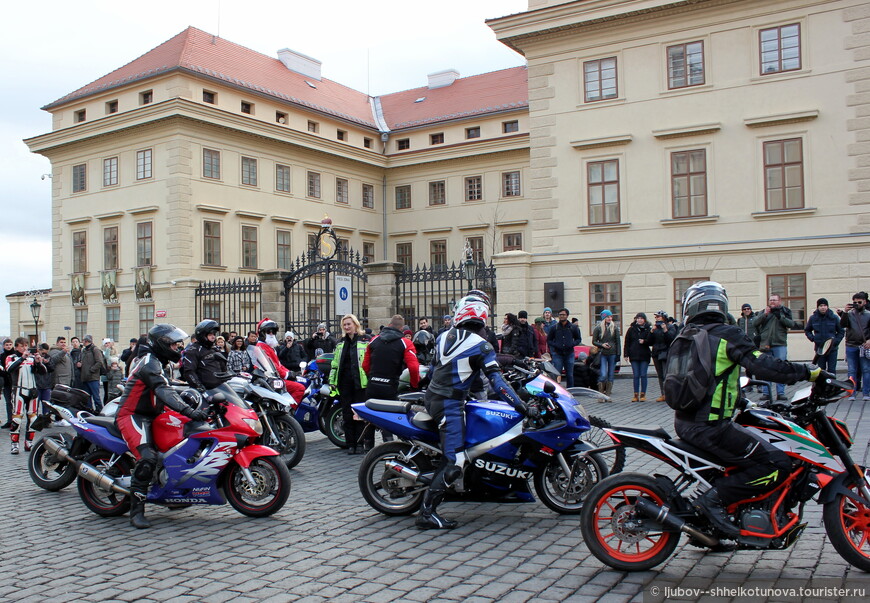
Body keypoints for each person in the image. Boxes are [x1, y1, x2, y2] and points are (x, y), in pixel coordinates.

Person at [672, 281, 827, 538]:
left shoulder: (686, 335)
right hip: (710, 427)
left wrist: (742, 402)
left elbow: (709, 379)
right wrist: (808, 372)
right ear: (721, 304)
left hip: (687, 422)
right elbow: (763, 366)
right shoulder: (726, 334)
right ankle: (711, 502)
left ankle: (714, 527)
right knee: (777, 463)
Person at [417, 294, 532, 529]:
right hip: (449, 405)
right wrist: (521, 406)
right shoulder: (482, 345)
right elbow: (498, 384)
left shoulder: (442, 336)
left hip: (434, 397)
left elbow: (432, 372)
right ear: (482, 317)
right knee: (455, 460)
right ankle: (427, 512)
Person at [116, 324, 209, 528]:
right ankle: (136, 511)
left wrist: (203, 392)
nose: (178, 348)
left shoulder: (161, 362)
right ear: (162, 344)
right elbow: (163, 391)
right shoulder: (150, 363)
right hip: (133, 415)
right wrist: (190, 411)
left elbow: (170, 386)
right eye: (175, 345)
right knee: (148, 457)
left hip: (155, 413)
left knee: (178, 444)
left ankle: (172, 493)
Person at [363, 314, 420, 444]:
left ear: (389, 325)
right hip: (390, 385)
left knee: (370, 415)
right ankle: (388, 445)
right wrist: (414, 385)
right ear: (402, 329)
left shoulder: (374, 340)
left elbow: (365, 364)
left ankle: (367, 447)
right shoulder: (405, 343)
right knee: (388, 417)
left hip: (372, 384)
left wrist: (371, 376)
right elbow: (414, 367)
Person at [329, 314, 369, 454]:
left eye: (349, 324)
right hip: (344, 383)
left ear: (355, 325)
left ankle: (360, 443)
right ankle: (350, 444)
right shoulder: (340, 343)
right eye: (344, 325)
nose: (346, 327)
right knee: (346, 414)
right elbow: (335, 364)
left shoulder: (365, 340)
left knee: (359, 414)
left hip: (360, 383)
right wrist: (332, 381)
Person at [5, 338, 48, 453]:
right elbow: (9, 369)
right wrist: (22, 358)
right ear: (16, 347)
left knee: (33, 418)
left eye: (26, 346)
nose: (25, 348)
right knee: (17, 419)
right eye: (22, 346)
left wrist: (39, 362)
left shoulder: (32, 358)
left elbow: (44, 372)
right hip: (18, 391)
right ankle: (14, 444)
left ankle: (29, 442)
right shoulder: (12, 357)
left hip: (32, 391)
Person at [250, 319, 306, 404]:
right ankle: (290, 411)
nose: (272, 334)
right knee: (300, 388)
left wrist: (290, 373)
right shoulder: (261, 347)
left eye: (273, 332)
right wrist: (287, 375)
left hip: (274, 378)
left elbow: (278, 364)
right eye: (269, 332)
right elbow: (272, 366)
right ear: (262, 333)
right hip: (270, 380)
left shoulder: (268, 346)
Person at [752, 293, 796, 401]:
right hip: (765, 344)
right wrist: (765, 315)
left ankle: (780, 393)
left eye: (774, 300)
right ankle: (766, 393)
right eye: (771, 300)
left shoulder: (785, 311)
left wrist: (780, 317)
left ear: (779, 301)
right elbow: (755, 323)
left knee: (780, 369)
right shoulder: (764, 311)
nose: (772, 302)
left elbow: (791, 324)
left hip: (779, 344)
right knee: (766, 369)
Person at [839, 291, 870, 401]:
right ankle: (851, 393)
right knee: (852, 370)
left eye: (859, 302)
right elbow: (842, 325)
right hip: (851, 345)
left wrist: (869, 340)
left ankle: (866, 393)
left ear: (865, 302)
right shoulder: (850, 314)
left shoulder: (868, 314)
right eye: (854, 302)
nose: (857, 304)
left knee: (866, 369)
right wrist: (845, 313)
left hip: (863, 346)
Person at [181, 320, 228, 392]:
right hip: (204, 391)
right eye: (210, 335)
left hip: (219, 389)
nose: (213, 337)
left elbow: (223, 368)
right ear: (202, 335)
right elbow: (189, 371)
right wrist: (198, 386)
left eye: (214, 334)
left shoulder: (214, 349)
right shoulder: (193, 350)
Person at [804, 298, 844, 376]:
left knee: (832, 371)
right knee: (821, 371)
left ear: (827, 307)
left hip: (832, 349)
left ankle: (832, 387)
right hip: (820, 349)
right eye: (821, 305)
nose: (823, 307)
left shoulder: (834, 317)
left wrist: (835, 341)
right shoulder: (813, 318)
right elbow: (807, 330)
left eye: (825, 305)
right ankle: (822, 387)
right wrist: (813, 338)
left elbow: (841, 331)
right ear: (818, 307)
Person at [547, 308, 582, 388]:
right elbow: (549, 340)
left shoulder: (573, 327)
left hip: (569, 353)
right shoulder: (554, 328)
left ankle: (570, 391)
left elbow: (578, 339)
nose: (562, 316)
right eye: (560, 315)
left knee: (569, 374)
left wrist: (572, 344)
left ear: (567, 316)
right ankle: (556, 391)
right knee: (556, 374)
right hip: (557, 354)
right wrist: (556, 345)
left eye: (563, 315)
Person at [591, 310, 621, 396]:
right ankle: (601, 393)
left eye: (611, 317)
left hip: (613, 353)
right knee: (603, 374)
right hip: (603, 353)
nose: (610, 318)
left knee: (611, 374)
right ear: (604, 318)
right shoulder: (598, 328)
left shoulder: (614, 328)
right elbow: (594, 341)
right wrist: (602, 345)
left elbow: (618, 342)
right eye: (608, 317)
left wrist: (618, 354)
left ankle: (607, 394)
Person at [623, 312, 651, 402]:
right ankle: (635, 394)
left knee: (643, 375)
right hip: (634, 355)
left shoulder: (648, 329)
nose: (639, 320)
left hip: (644, 355)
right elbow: (627, 342)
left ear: (644, 320)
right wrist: (626, 354)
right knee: (636, 375)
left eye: (641, 318)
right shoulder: (631, 329)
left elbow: (651, 341)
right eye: (638, 318)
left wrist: (645, 341)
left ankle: (643, 394)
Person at [648, 311, 676, 402]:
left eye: (658, 317)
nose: (657, 318)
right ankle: (663, 394)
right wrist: (651, 332)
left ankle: (669, 394)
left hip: (665, 353)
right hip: (656, 353)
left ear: (664, 317)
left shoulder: (670, 327)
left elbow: (671, 339)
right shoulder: (655, 328)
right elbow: (650, 342)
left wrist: (665, 331)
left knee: (666, 374)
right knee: (660, 375)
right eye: (656, 317)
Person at [79, 335, 106, 412]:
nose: (82, 342)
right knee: (87, 397)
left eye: (83, 340)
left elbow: (99, 362)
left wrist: (91, 370)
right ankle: (90, 411)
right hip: (85, 377)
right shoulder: (84, 350)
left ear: (86, 341)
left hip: (93, 377)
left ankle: (100, 411)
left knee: (96, 396)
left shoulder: (95, 349)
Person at [34, 344, 54, 411]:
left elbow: (52, 369)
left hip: (47, 386)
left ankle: (46, 419)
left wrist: (47, 363)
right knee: (34, 407)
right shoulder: (34, 358)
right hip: (36, 385)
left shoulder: (49, 358)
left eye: (44, 351)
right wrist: (37, 362)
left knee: (47, 406)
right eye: (41, 350)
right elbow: (33, 370)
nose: (43, 352)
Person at [0, 338, 15, 428]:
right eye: (7, 345)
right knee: (8, 402)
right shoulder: (1, 356)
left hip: (15, 382)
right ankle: (10, 420)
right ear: (3, 346)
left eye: (10, 344)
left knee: (16, 402)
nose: (8, 346)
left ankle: (16, 421)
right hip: (6, 382)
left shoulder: (15, 355)